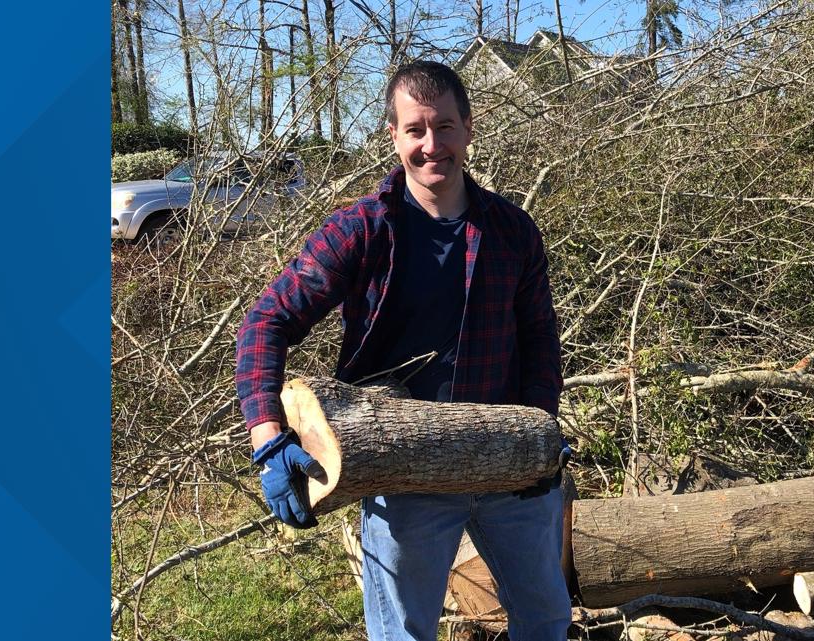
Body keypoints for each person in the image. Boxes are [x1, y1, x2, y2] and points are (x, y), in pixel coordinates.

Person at [235, 61, 572, 640]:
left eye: (444, 126)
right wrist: (267, 437)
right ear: (394, 135)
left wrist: (539, 431)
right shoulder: (360, 231)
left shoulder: (513, 231)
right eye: (415, 129)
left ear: (469, 128)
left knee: (544, 619)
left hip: (510, 467)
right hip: (402, 474)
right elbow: (266, 322)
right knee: (404, 634)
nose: (431, 144)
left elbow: (540, 336)